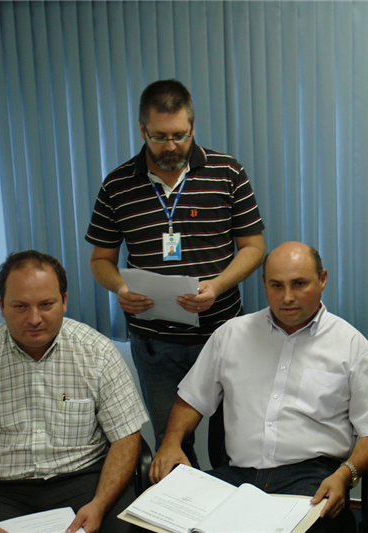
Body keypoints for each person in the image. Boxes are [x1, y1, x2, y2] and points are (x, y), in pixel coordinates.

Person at [150, 242, 368, 533]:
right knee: (160, 523)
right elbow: (191, 399)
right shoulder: (231, 334)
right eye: (276, 286)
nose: (288, 297)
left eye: (299, 284)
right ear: (264, 285)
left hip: (312, 480)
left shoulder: (351, 346)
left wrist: (346, 474)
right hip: (236, 478)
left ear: (323, 280)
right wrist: (170, 443)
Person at [85, 79, 265, 464]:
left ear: (193, 126)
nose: (171, 147)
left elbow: (254, 249)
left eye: (180, 136)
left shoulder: (227, 172)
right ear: (142, 131)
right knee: (173, 446)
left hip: (221, 337)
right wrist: (119, 287)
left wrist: (216, 286)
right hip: (155, 345)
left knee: (231, 445)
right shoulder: (117, 185)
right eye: (160, 137)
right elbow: (100, 260)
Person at [0, 251, 149, 533]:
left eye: (46, 304)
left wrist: (100, 503)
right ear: (2, 306)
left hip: (83, 480)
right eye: (20, 306)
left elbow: (126, 438)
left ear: (64, 301)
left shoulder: (98, 353)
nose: (34, 319)